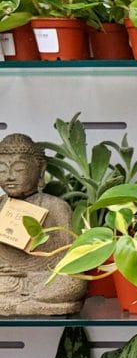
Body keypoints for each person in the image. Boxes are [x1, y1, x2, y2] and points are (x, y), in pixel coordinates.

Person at [0, 133, 87, 315]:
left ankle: (24, 302)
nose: (9, 177)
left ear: (40, 172)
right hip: (5, 280)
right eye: (2, 170)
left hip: (43, 279)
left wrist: (32, 274)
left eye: (19, 169)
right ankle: (25, 302)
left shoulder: (56, 207)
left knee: (73, 281)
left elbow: (70, 258)